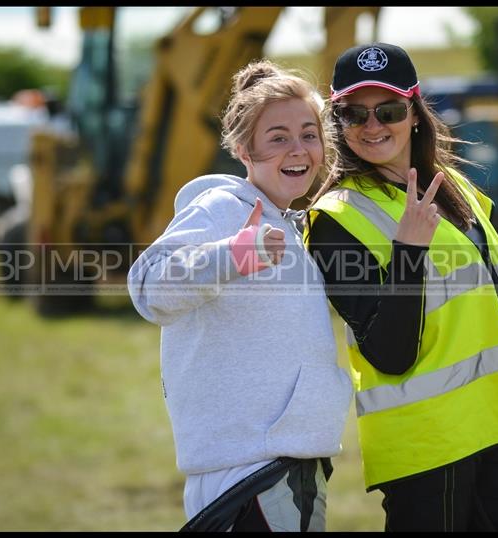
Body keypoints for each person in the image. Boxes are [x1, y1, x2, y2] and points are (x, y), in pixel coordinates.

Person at [304, 43, 498, 532]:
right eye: (355, 114)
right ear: (338, 121)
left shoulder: (456, 188)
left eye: (389, 110)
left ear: (415, 113)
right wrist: (408, 252)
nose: (373, 126)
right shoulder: (336, 219)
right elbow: (389, 353)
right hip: (428, 449)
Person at [127, 60, 353, 532]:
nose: (298, 149)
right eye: (278, 137)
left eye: (309, 134)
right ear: (243, 149)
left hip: (284, 462)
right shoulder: (224, 209)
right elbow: (148, 287)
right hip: (247, 470)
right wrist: (235, 253)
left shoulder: (287, 224)